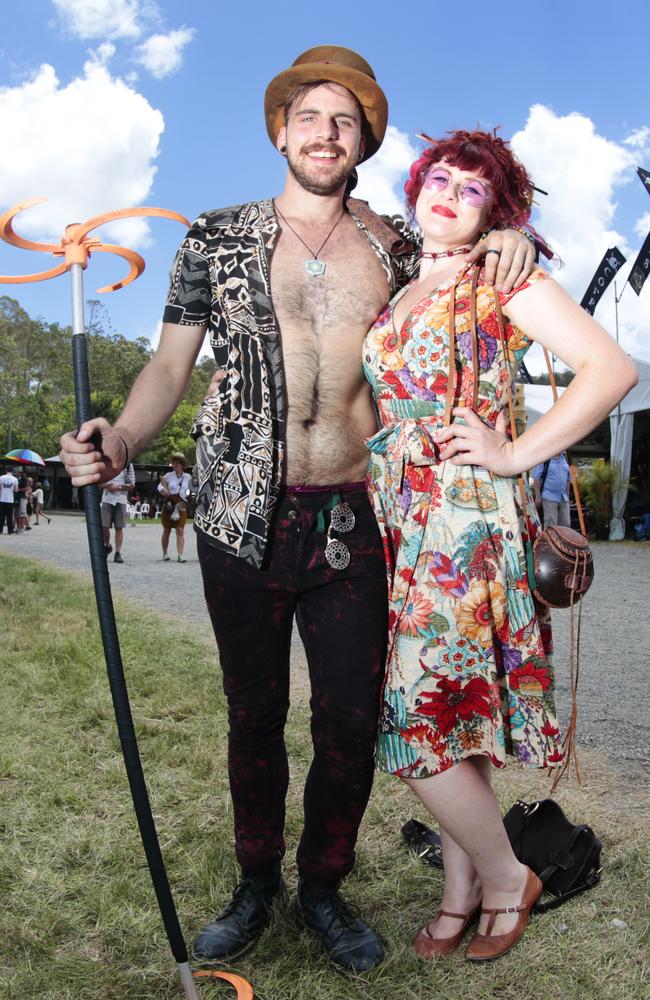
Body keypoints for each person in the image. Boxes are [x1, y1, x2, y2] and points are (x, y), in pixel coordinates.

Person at [59, 47, 536, 972]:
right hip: (243, 513)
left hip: (359, 514)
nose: (325, 132)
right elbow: (169, 365)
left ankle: (324, 885)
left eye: (344, 121)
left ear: (362, 144)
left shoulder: (401, 242)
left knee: (352, 719)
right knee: (253, 712)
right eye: (310, 117)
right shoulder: (216, 236)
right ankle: (254, 883)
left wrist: (509, 235)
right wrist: (121, 437)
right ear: (281, 130)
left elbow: (473, 262)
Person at [363, 129, 637, 963]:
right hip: (399, 514)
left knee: (407, 717)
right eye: (438, 177)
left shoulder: (497, 274)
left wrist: (517, 454)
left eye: (473, 189)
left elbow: (609, 367)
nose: (447, 193)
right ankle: (462, 891)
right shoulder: (404, 279)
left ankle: (508, 873)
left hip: (462, 514)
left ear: (498, 211)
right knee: (449, 713)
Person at [158, 453, 192, 562]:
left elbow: (191, 489)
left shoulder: (188, 477)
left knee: (180, 529)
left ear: (182, 465)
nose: (175, 465)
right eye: (174, 463)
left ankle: (180, 555)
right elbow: (159, 486)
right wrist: (164, 491)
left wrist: (187, 494)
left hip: (181, 503)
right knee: (166, 529)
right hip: (169, 503)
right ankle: (165, 554)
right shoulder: (168, 475)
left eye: (177, 463)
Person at [101, 462, 135, 562]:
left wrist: (118, 487)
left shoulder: (128, 465)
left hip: (121, 499)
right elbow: (99, 482)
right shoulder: (105, 462)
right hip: (107, 498)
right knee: (104, 526)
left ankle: (118, 552)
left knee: (119, 527)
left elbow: (132, 484)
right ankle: (107, 545)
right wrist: (107, 485)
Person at [532, 451, 571, 526]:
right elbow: (536, 477)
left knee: (566, 525)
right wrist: (538, 496)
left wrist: (568, 497)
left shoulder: (565, 458)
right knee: (551, 525)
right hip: (549, 497)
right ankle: (550, 538)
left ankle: (560, 538)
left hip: (563, 497)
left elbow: (568, 479)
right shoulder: (545, 458)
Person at [0, 466, 18, 534]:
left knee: (1, 516)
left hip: (2, 499)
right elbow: (16, 490)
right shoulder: (15, 479)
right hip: (10, 500)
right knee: (9, 516)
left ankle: (0, 530)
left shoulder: (1, 477)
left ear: (6, 470)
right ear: (12, 471)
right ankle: (10, 530)